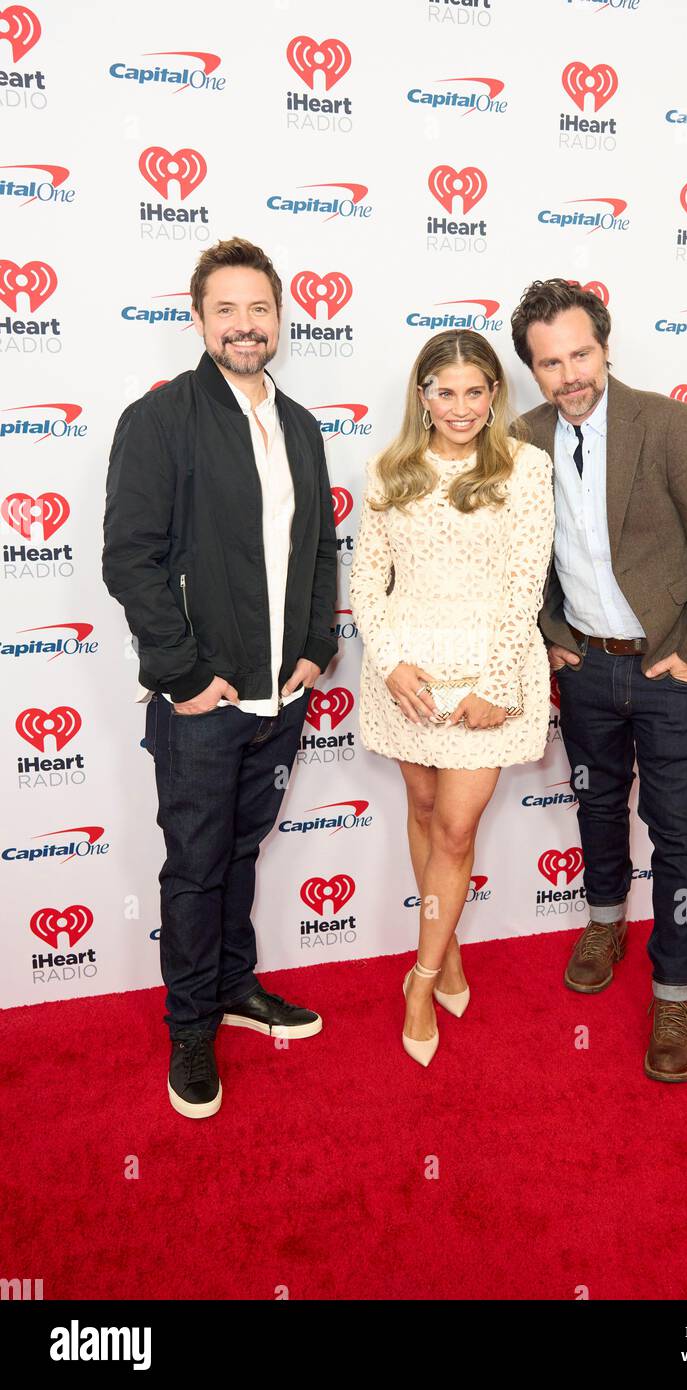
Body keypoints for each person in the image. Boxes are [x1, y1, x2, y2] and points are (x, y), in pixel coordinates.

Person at [103, 238, 338, 1118]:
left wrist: (316, 649)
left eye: (260, 309)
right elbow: (132, 560)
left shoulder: (303, 426)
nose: (246, 325)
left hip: (284, 696)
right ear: (198, 320)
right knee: (196, 868)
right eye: (227, 310)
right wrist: (185, 675)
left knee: (240, 852)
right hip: (203, 705)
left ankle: (235, 990)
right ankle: (191, 1026)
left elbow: (317, 551)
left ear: (280, 318)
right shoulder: (159, 421)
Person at [511, 278, 687, 1083]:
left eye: (580, 353)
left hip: (668, 668)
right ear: (532, 371)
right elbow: (519, 556)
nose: (570, 373)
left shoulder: (668, 424)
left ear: (604, 347)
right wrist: (552, 635)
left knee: (679, 834)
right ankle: (605, 921)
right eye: (550, 362)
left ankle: (676, 987)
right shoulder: (523, 439)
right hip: (586, 669)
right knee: (597, 802)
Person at [349, 330, 554, 1066]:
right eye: (445, 391)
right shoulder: (388, 469)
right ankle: (452, 950)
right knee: (427, 812)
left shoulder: (526, 470)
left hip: (487, 678)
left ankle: (421, 977)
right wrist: (391, 660)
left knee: (457, 831)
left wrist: (499, 686)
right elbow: (367, 581)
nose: (460, 407)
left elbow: (524, 583)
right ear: (422, 395)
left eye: (476, 391)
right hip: (408, 682)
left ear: (495, 394)